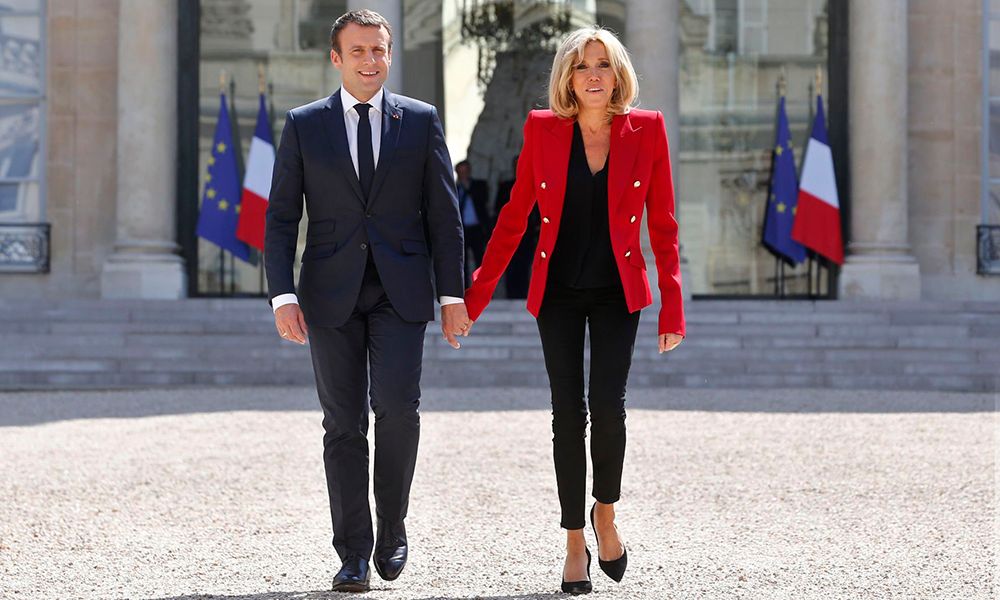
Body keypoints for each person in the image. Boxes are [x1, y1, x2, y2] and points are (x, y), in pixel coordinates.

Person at [463, 26, 685, 595]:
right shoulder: (542, 128)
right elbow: (513, 218)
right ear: (567, 76)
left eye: (603, 64)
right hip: (557, 292)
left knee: (608, 408)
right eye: (582, 65)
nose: (593, 75)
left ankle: (604, 514)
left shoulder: (648, 128)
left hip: (618, 292)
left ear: (618, 73)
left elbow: (663, 223)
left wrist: (672, 308)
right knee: (567, 414)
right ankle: (572, 542)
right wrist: (475, 298)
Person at [264, 9, 470, 593]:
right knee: (343, 424)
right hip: (329, 294)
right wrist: (282, 294)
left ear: (389, 53)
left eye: (378, 50)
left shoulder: (421, 120)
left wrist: (452, 294)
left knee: (399, 410)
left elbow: (445, 217)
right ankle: (352, 551)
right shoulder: (305, 124)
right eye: (357, 51)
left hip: (401, 292)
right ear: (336, 58)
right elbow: (281, 218)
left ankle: (392, 527)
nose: (370, 60)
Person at [494, 154, 539, 299]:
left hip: (528, 232)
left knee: (525, 264)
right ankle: (511, 294)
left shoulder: (535, 184)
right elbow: (498, 209)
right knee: (509, 264)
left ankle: (522, 295)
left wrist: (538, 226)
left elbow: (540, 208)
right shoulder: (505, 186)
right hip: (510, 231)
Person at [454, 159, 491, 286]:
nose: (463, 174)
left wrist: (467, 188)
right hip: (462, 230)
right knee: (462, 262)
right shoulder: (454, 189)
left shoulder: (479, 185)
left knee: (480, 260)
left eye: (465, 171)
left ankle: (481, 287)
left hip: (477, 229)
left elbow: (483, 200)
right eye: (461, 172)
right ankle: (464, 289)